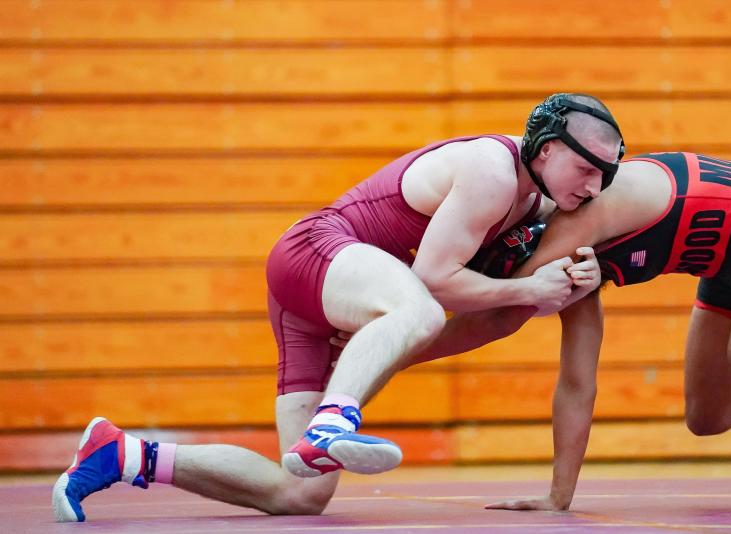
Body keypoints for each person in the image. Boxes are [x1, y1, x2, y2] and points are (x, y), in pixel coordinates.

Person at [52, 93, 624, 522]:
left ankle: (122, 455)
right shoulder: (491, 172)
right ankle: (334, 421)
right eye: (587, 170)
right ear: (547, 150)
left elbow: (495, 311)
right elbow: (433, 282)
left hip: (322, 298)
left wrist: (576, 277)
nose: (596, 188)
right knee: (420, 311)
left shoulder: (534, 203)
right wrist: (529, 290)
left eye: (607, 177)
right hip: (316, 251)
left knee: (300, 493)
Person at [415, 152, 731, 512]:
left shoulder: (576, 227)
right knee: (708, 417)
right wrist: (559, 495)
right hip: (730, 259)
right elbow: (578, 381)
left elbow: (498, 316)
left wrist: (400, 348)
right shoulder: (575, 265)